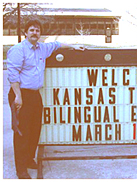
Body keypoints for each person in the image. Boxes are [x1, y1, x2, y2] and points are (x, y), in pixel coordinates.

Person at [7, 19, 85, 179]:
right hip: (20, 94)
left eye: (37, 30)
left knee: (35, 129)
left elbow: (56, 44)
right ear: (26, 33)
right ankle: (21, 169)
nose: (35, 33)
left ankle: (29, 159)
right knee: (22, 132)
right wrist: (18, 97)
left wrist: (73, 46)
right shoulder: (18, 50)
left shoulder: (42, 48)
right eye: (31, 30)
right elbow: (12, 75)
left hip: (35, 94)